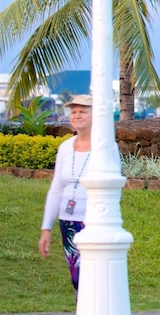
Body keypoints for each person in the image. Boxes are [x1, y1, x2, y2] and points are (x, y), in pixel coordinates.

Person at [39, 94, 93, 293]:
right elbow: (56, 189)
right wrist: (46, 228)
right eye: (74, 112)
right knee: (77, 279)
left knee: (93, 278)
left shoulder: (104, 148)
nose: (77, 116)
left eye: (83, 111)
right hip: (68, 223)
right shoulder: (64, 148)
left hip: (93, 224)